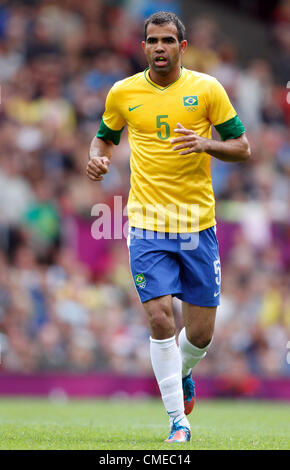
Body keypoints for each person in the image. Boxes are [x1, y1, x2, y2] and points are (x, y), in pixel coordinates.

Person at [86, 11, 251, 443]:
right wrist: (97, 156)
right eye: (152, 40)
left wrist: (206, 143)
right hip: (146, 223)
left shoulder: (207, 89)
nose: (160, 47)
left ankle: (184, 370)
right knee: (159, 317)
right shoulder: (123, 93)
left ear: (183, 46)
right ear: (143, 46)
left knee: (199, 333)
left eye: (168, 41)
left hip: (197, 225)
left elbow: (243, 147)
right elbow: (104, 135)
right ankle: (179, 422)